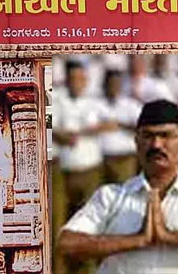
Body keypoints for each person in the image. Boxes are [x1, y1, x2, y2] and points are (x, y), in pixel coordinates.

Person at [58, 100, 178, 274]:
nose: (156, 145)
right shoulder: (111, 197)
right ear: (136, 143)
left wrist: (170, 237)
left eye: (165, 136)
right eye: (148, 136)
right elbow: (67, 244)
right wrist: (136, 240)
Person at [52, 60, 107, 274]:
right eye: (73, 78)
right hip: (62, 174)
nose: (77, 83)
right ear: (66, 79)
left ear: (86, 80)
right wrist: (61, 135)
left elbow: (111, 123)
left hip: (90, 171)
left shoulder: (95, 101)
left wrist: (83, 132)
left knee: (88, 227)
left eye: (81, 78)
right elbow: (48, 126)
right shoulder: (56, 99)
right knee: (60, 226)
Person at [96, 70, 143, 183]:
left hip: (125, 159)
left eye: (117, 84)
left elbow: (141, 128)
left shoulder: (130, 104)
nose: (114, 87)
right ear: (104, 84)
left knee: (124, 195)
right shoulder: (96, 104)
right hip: (102, 160)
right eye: (111, 83)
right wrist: (104, 126)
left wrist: (120, 125)